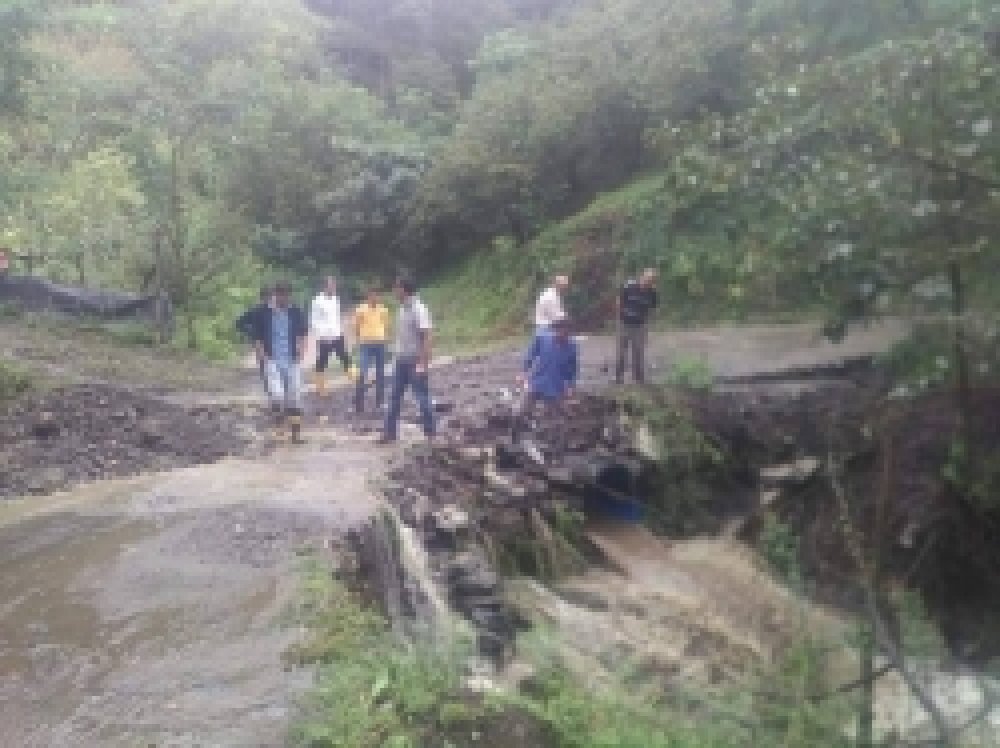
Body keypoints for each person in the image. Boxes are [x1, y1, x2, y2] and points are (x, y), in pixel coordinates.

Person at [379, 277, 435, 444]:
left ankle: (431, 434)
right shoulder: (402, 309)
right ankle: (389, 433)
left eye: (397, 288)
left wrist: (423, 362)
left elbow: (427, 336)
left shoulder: (419, 309)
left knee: (422, 397)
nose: (394, 291)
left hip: (415, 360)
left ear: (405, 290)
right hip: (401, 360)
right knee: (395, 396)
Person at [251, 282, 309, 443]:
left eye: (287, 294)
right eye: (281, 294)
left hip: (292, 360)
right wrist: (263, 356)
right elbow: (257, 337)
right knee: (277, 395)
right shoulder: (263, 312)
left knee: (295, 396)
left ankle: (296, 435)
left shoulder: (295, 311)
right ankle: (279, 425)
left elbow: (304, 332)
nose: (284, 298)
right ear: (275, 294)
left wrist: (302, 350)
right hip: (272, 359)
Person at [514, 314, 578, 443]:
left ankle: (551, 443)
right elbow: (531, 354)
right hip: (538, 382)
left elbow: (572, 369)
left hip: (555, 387)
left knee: (554, 419)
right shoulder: (543, 339)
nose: (563, 333)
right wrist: (523, 372)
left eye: (567, 331)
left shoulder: (571, 347)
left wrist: (570, 386)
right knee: (523, 411)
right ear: (556, 329)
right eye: (561, 330)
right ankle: (515, 437)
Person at [310, 275, 352, 397]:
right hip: (324, 336)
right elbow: (314, 320)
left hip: (337, 333)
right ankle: (320, 387)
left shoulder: (336, 299)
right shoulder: (317, 300)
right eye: (330, 285)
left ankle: (355, 378)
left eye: (334, 285)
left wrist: (341, 330)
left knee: (344, 356)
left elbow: (337, 316)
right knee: (322, 360)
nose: (333, 287)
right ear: (324, 286)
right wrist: (320, 336)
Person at [615, 268, 658, 384]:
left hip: (640, 326)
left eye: (651, 280)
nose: (647, 282)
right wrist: (620, 317)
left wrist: (647, 323)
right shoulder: (629, 286)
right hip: (624, 323)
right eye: (646, 279)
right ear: (642, 277)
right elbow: (619, 301)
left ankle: (638, 378)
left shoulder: (652, 292)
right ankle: (618, 378)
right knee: (621, 352)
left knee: (638, 352)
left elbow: (653, 308)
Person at [353, 286, 390, 414]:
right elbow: (356, 328)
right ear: (368, 296)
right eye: (372, 295)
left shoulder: (383, 310)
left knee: (380, 373)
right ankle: (359, 403)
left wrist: (385, 339)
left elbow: (385, 326)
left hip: (380, 344)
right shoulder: (360, 310)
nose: (374, 298)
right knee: (362, 372)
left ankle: (379, 402)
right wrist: (360, 340)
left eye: (377, 295)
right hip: (366, 345)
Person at [236, 286, 273, 387]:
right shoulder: (255, 311)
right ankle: (267, 385)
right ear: (262, 298)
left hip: (274, 342)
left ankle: (275, 385)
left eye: (270, 297)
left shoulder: (277, 311)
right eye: (267, 297)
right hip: (259, 342)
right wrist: (251, 332)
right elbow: (239, 323)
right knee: (263, 363)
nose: (269, 299)